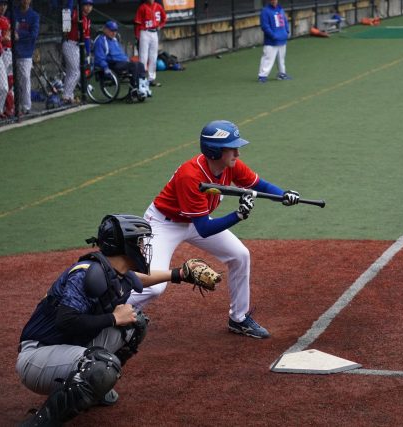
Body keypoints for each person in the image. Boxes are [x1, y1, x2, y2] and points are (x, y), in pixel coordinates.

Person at [16, 214, 216, 426]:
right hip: (37, 357)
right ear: (125, 245)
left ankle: (93, 387)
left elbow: (137, 279)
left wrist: (179, 274)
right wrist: (113, 318)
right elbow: (65, 321)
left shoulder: (112, 271)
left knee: (135, 323)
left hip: (67, 346)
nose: (143, 247)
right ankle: (39, 423)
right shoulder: (84, 275)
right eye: (139, 242)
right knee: (100, 365)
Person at [126, 120, 301, 339]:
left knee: (240, 255)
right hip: (163, 224)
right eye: (232, 148)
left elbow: (259, 185)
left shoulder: (231, 165)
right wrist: (237, 216)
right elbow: (205, 228)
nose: (237, 152)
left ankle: (239, 318)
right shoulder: (190, 176)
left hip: (194, 220)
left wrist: (283, 195)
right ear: (215, 151)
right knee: (153, 287)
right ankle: (112, 311)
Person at [93, 20, 150, 99]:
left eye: (115, 31)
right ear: (105, 29)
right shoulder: (100, 41)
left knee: (140, 65)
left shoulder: (114, 40)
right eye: (111, 31)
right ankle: (134, 89)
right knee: (134, 65)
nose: (114, 33)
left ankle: (142, 86)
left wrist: (127, 59)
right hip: (112, 65)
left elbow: (120, 54)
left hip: (121, 62)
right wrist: (105, 67)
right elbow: (99, 57)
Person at [61, 0, 93, 104]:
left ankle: (69, 96)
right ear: (81, 5)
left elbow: (87, 38)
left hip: (77, 47)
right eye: (86, 5)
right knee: (76, 72)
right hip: (69, 43)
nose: (88, 7)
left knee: (71, 72)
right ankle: (66, 96)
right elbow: (67, 14)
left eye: (90, 5)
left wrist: (87, 53)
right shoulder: (75, 13)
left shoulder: (87, 20)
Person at [13, 0, 39, 115]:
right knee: (10, 80)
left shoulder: (34, 16)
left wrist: (19, 35)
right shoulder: (14, 13)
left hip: (26, 52)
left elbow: (33, 34)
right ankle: (12, 107)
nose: (25, 1)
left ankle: (26, 106)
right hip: (12, 51)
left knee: (25, 79)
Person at [134, 0, 166, 88]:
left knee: (153, 56)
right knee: (143, 56)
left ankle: (151, 79)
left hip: (154, 33)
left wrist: (160, 26)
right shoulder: (142, 7)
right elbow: (137, 23)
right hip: (144, 32)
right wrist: (137, 36)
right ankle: (142, 78)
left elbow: (164, 18)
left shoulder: (158, 6)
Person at [257, 0, 291, 83]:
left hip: (282, 39)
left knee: (281, 58)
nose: (274, 1)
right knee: (268, 58)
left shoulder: (280, 9)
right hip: (271, 41)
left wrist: (286, 31)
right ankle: (262, 76)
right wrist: (273, 35)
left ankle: (282, 74)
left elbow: (285, 21)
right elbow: (265, 26)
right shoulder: (265, 11)